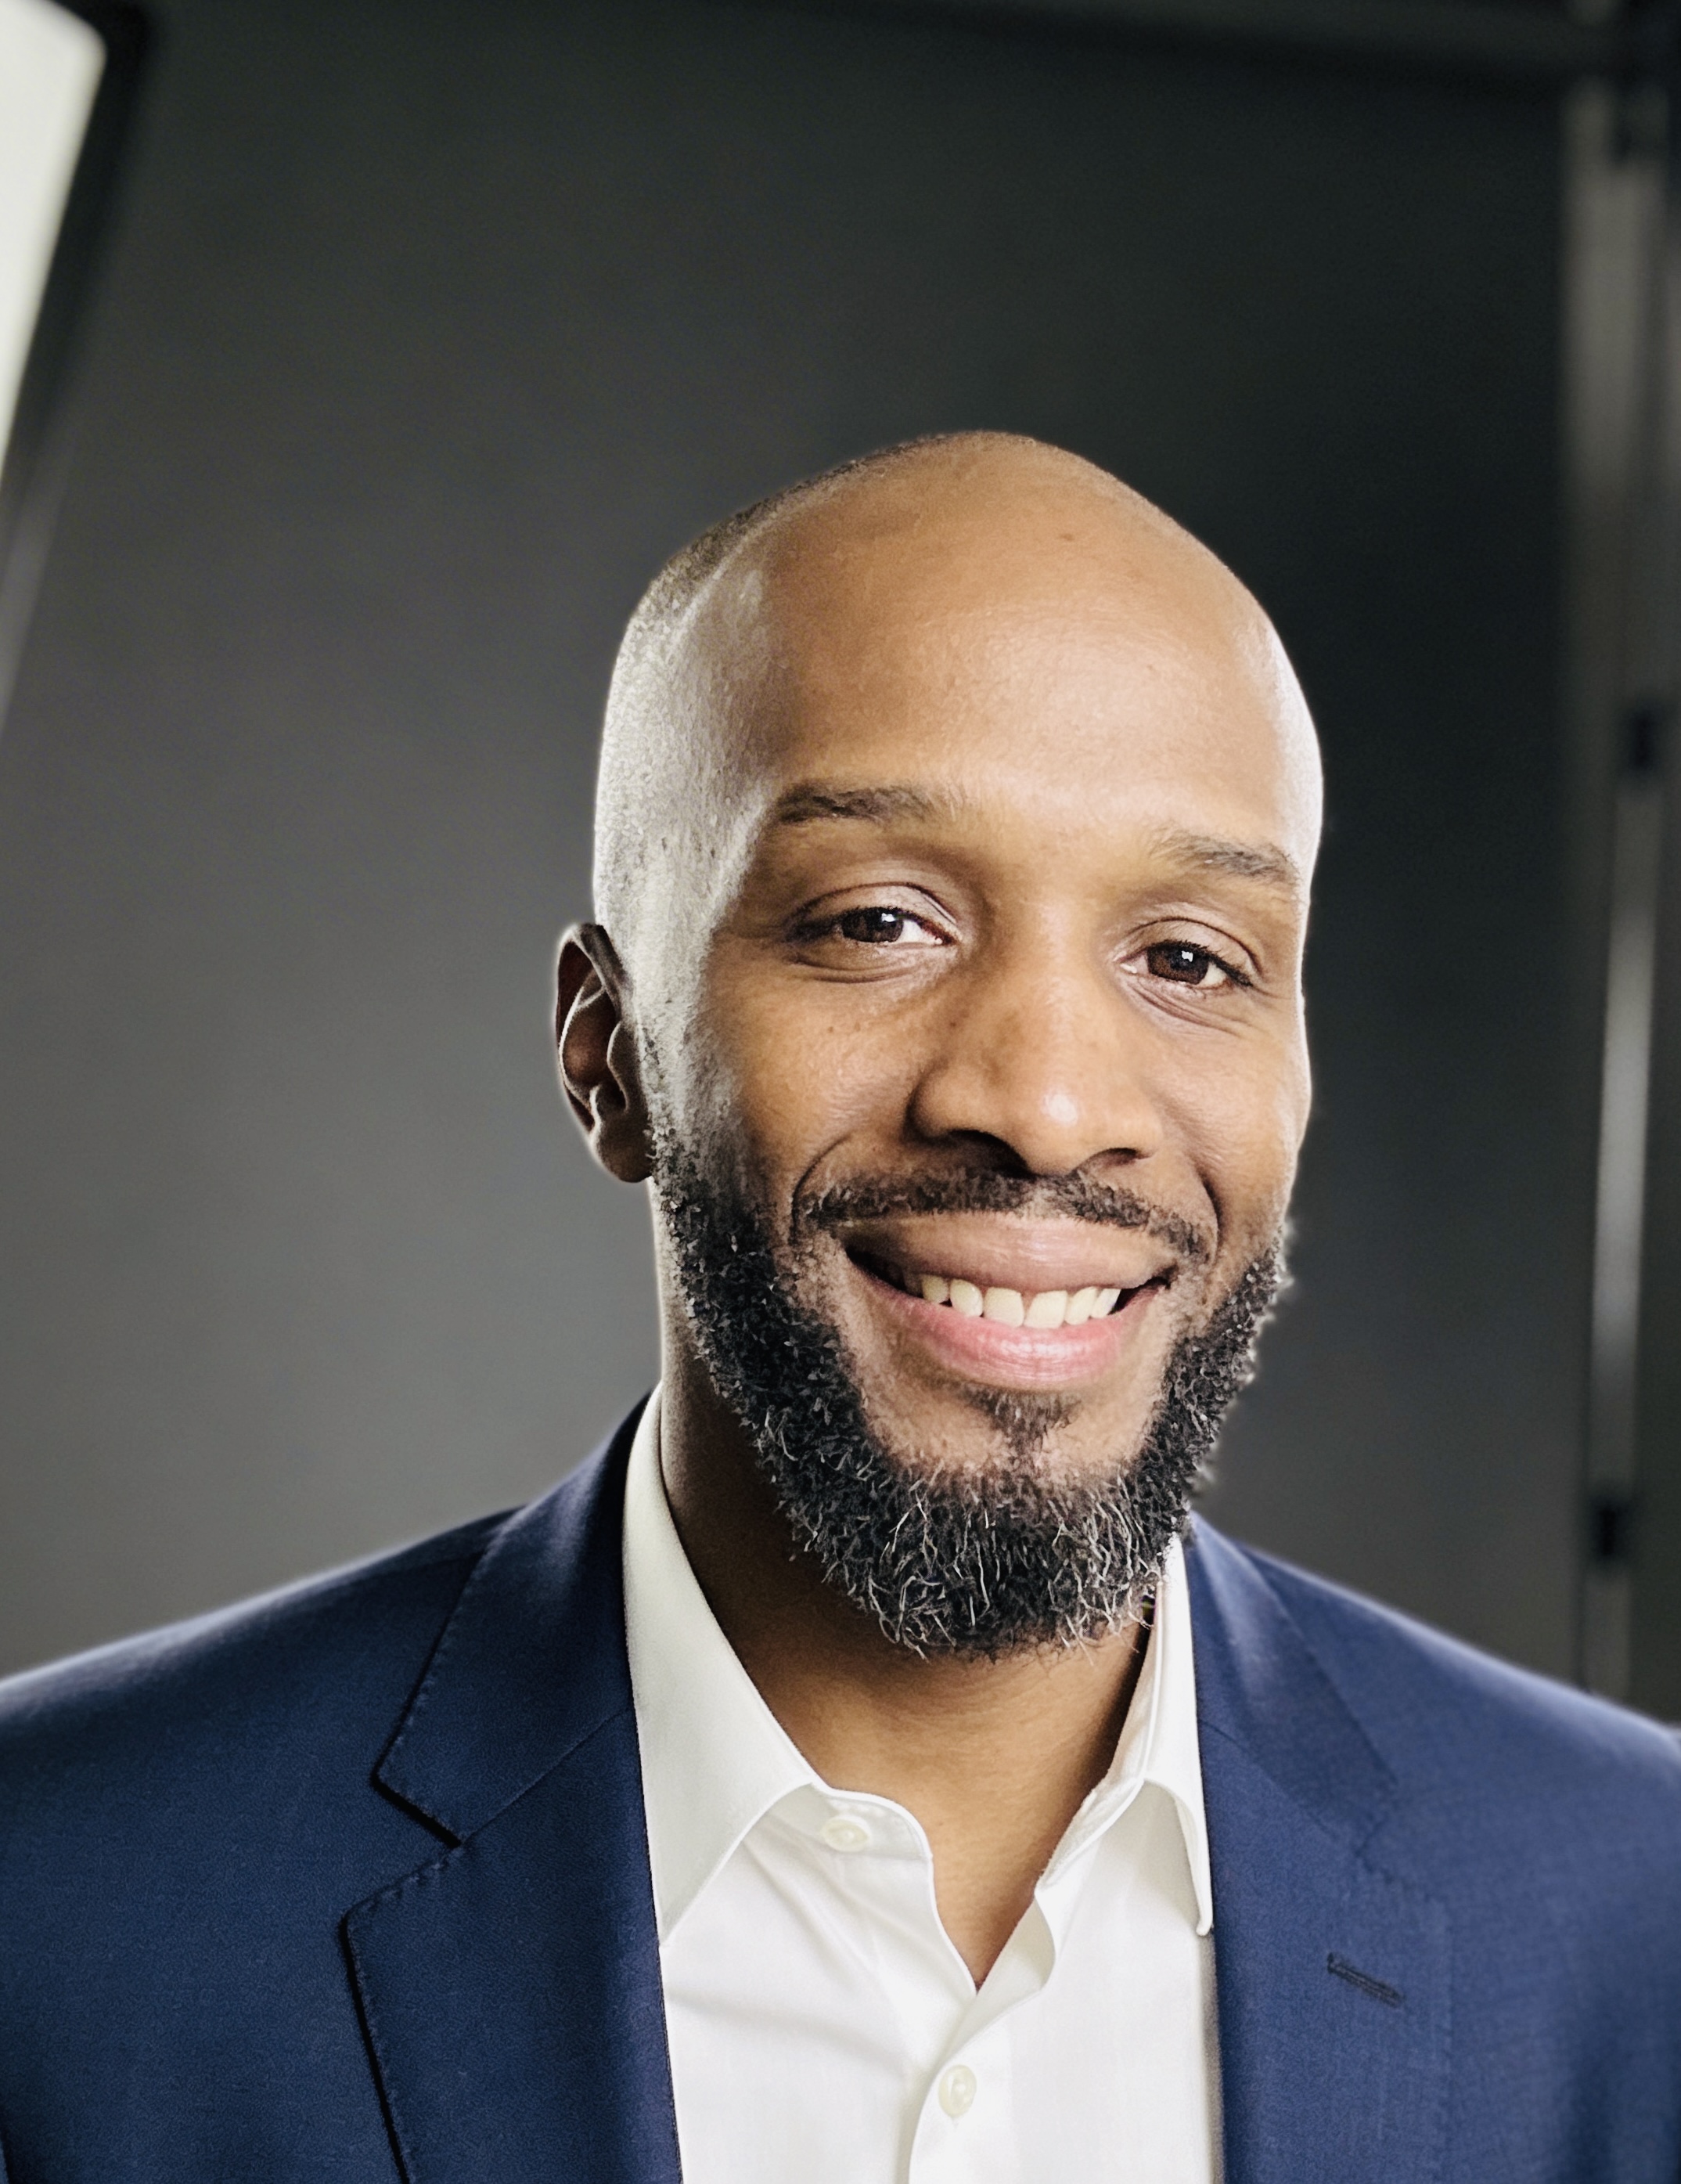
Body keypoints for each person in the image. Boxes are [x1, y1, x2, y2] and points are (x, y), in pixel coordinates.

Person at [0, 433, 1677, 2183]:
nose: (1044, 1102)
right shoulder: (52, 1915)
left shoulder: (1644, 1927)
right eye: (881, 921)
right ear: (609, 1053)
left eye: (1190, 958)